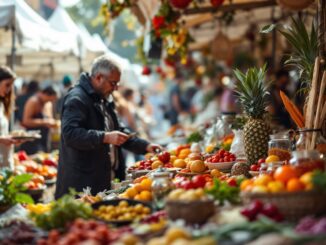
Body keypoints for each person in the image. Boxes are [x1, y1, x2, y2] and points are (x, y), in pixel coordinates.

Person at [55, 55, 161, 198]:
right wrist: (104, 137)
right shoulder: (77, 99)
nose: (116, 88)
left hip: (101, 180)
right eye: (113, 83)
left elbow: (118, 132)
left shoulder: (102, 98)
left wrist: (145, 146)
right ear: (99, 77)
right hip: (82, 184)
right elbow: (71, 134)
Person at [20, 86, 58, 154]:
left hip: (45, 139)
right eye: (49, 99)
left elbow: (50, 119)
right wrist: (44, 122)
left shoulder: (48, 104)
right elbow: (26, 121)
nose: (50, 102)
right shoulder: (33, 101)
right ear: (45, 94)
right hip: (32, 141)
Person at [0, 66, 21, 169]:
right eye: (7, 85)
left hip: (5, 161)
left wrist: (14, 138)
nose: (9, 90)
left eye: (11, 86)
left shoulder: (2, 104)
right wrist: (2, 139)